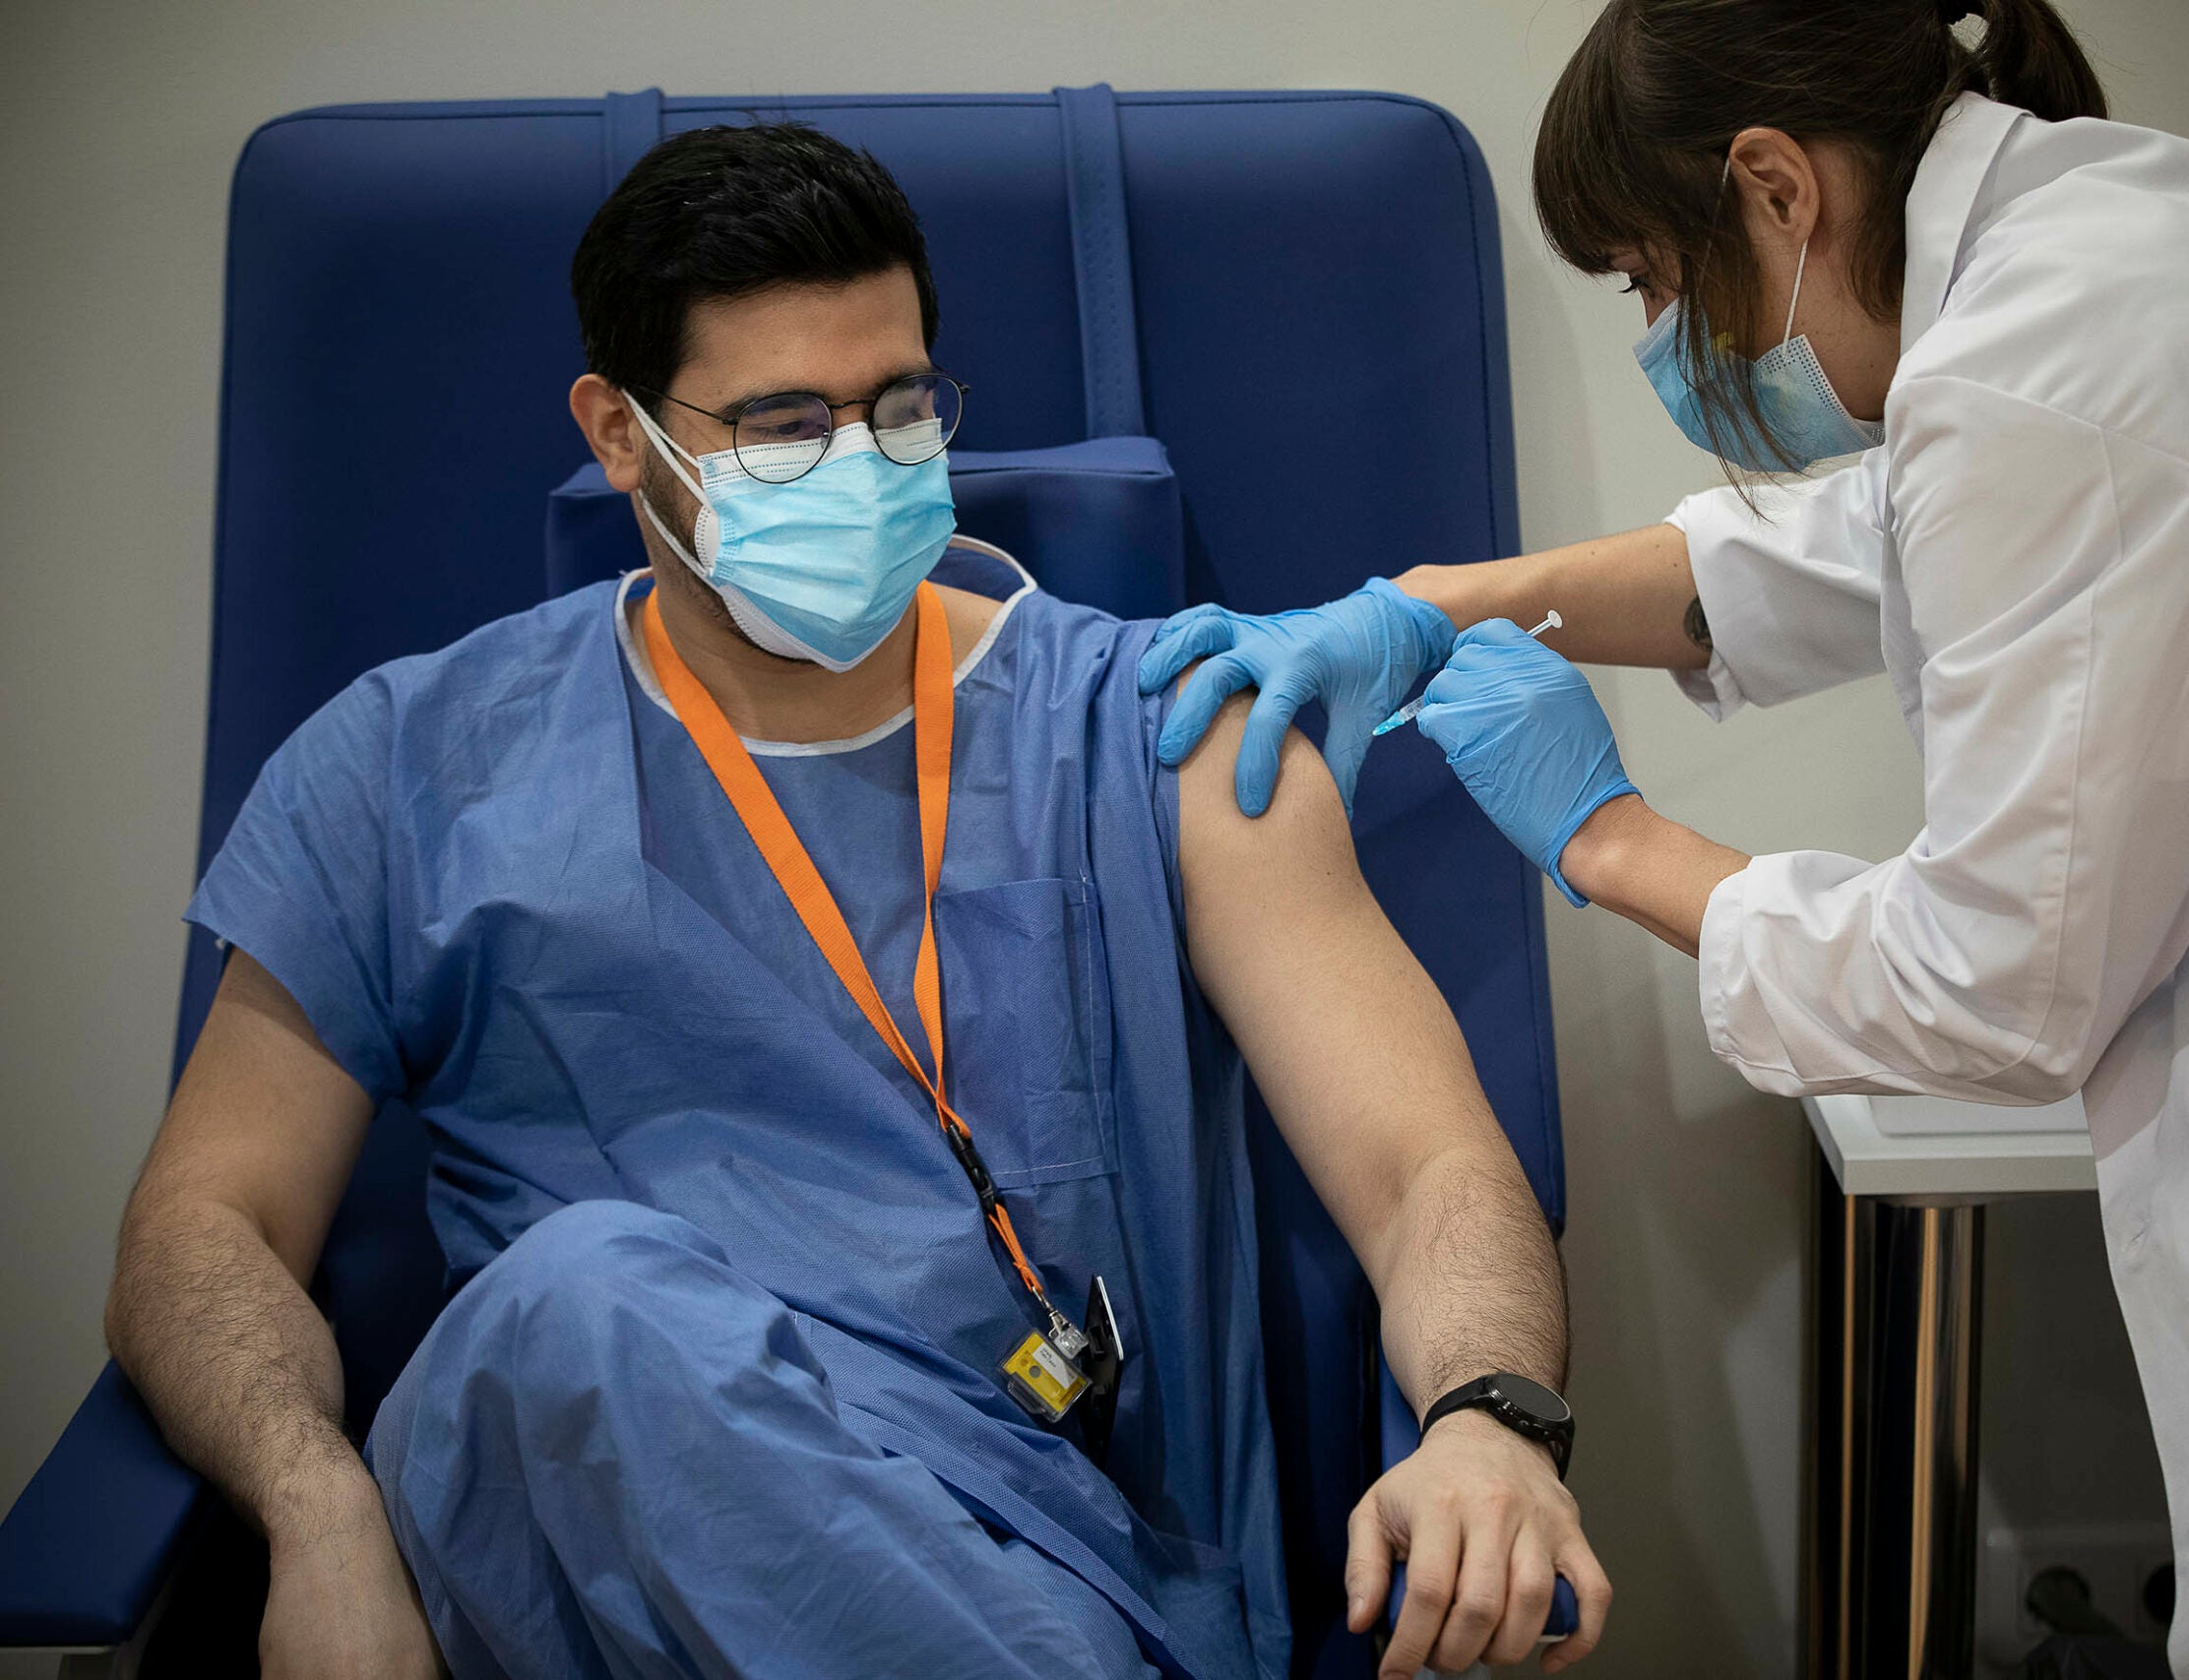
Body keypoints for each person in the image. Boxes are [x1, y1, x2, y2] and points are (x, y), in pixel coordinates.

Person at [102, 123, 1611, 1680]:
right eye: (779, 426)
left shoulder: (1163, 734)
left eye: (897, 407)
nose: (861, 461)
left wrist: (1492, 1422)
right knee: (577, 1316)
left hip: (1053, 1572)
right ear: (621, 437)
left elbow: (1434, 1166)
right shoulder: (410, 771)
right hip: (577, 1572)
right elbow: (201, 1227)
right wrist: (318, 1511)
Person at [1142, 0, 2189, 1673]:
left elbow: (1994, 992)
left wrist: (1608, 839)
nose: (1660, 335)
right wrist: (1438, 605)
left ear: (1777, 189)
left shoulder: (2050, 356)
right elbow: (1858, 546)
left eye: (1650, 281)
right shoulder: (2123, 247)